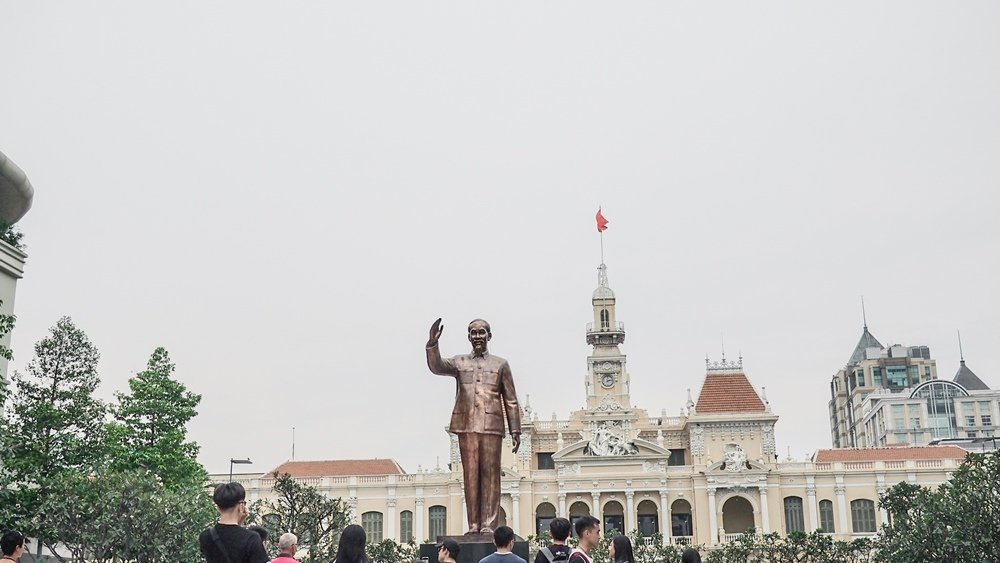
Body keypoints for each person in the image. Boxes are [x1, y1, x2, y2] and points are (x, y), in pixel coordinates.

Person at [426, 318, 522, 534]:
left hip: (492, 426)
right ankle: (473, 525)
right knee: (471, 476)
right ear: (469, 337)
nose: (477, 336)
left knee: (491, 475)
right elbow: (437, 366)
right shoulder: (459, 362)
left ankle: (489, 525)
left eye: (481, 332)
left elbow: (511, 399)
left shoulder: (501, 364)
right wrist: (432, 344)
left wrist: (516, 430)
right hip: (466, 425)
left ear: (489, 335)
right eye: (473, 333)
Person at [199, 482, 270, 563]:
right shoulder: (251, 538)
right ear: (241, 506)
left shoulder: (206, 536)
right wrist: (240, 523)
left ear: (218, 507)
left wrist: (239, 523)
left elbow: (228, 538)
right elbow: (235, 535)